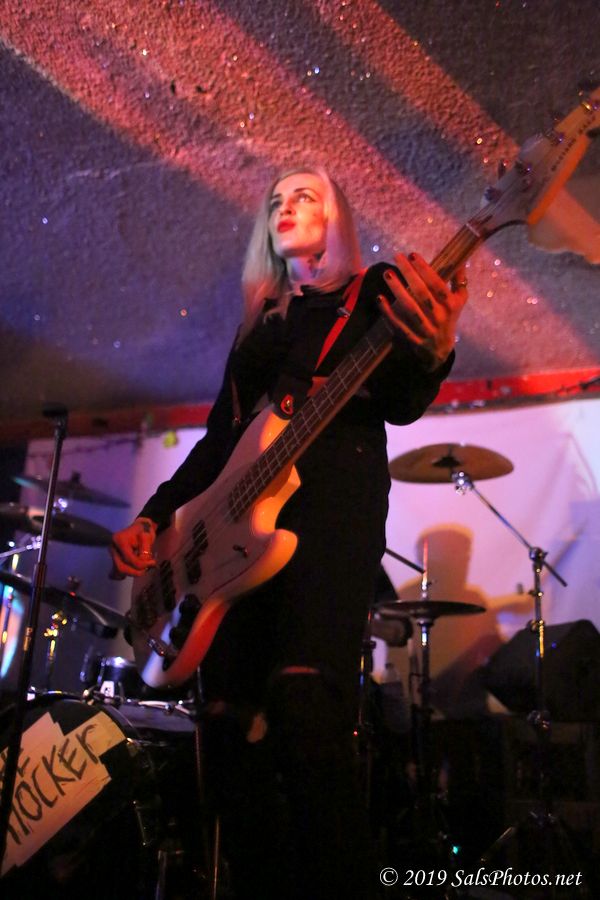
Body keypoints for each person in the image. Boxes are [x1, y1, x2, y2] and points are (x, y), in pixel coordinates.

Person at [110, 167, 467, 899]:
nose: (285, 205)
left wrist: (434, 352)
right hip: (231, 538)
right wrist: (153, 515)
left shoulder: (372, 291)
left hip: (328, 510)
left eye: (305, 195)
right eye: (276, 200)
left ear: (338, 217)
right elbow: (218, 444)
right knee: (224, 735)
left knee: (305, 709)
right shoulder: (261, 326)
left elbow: (401, 399)